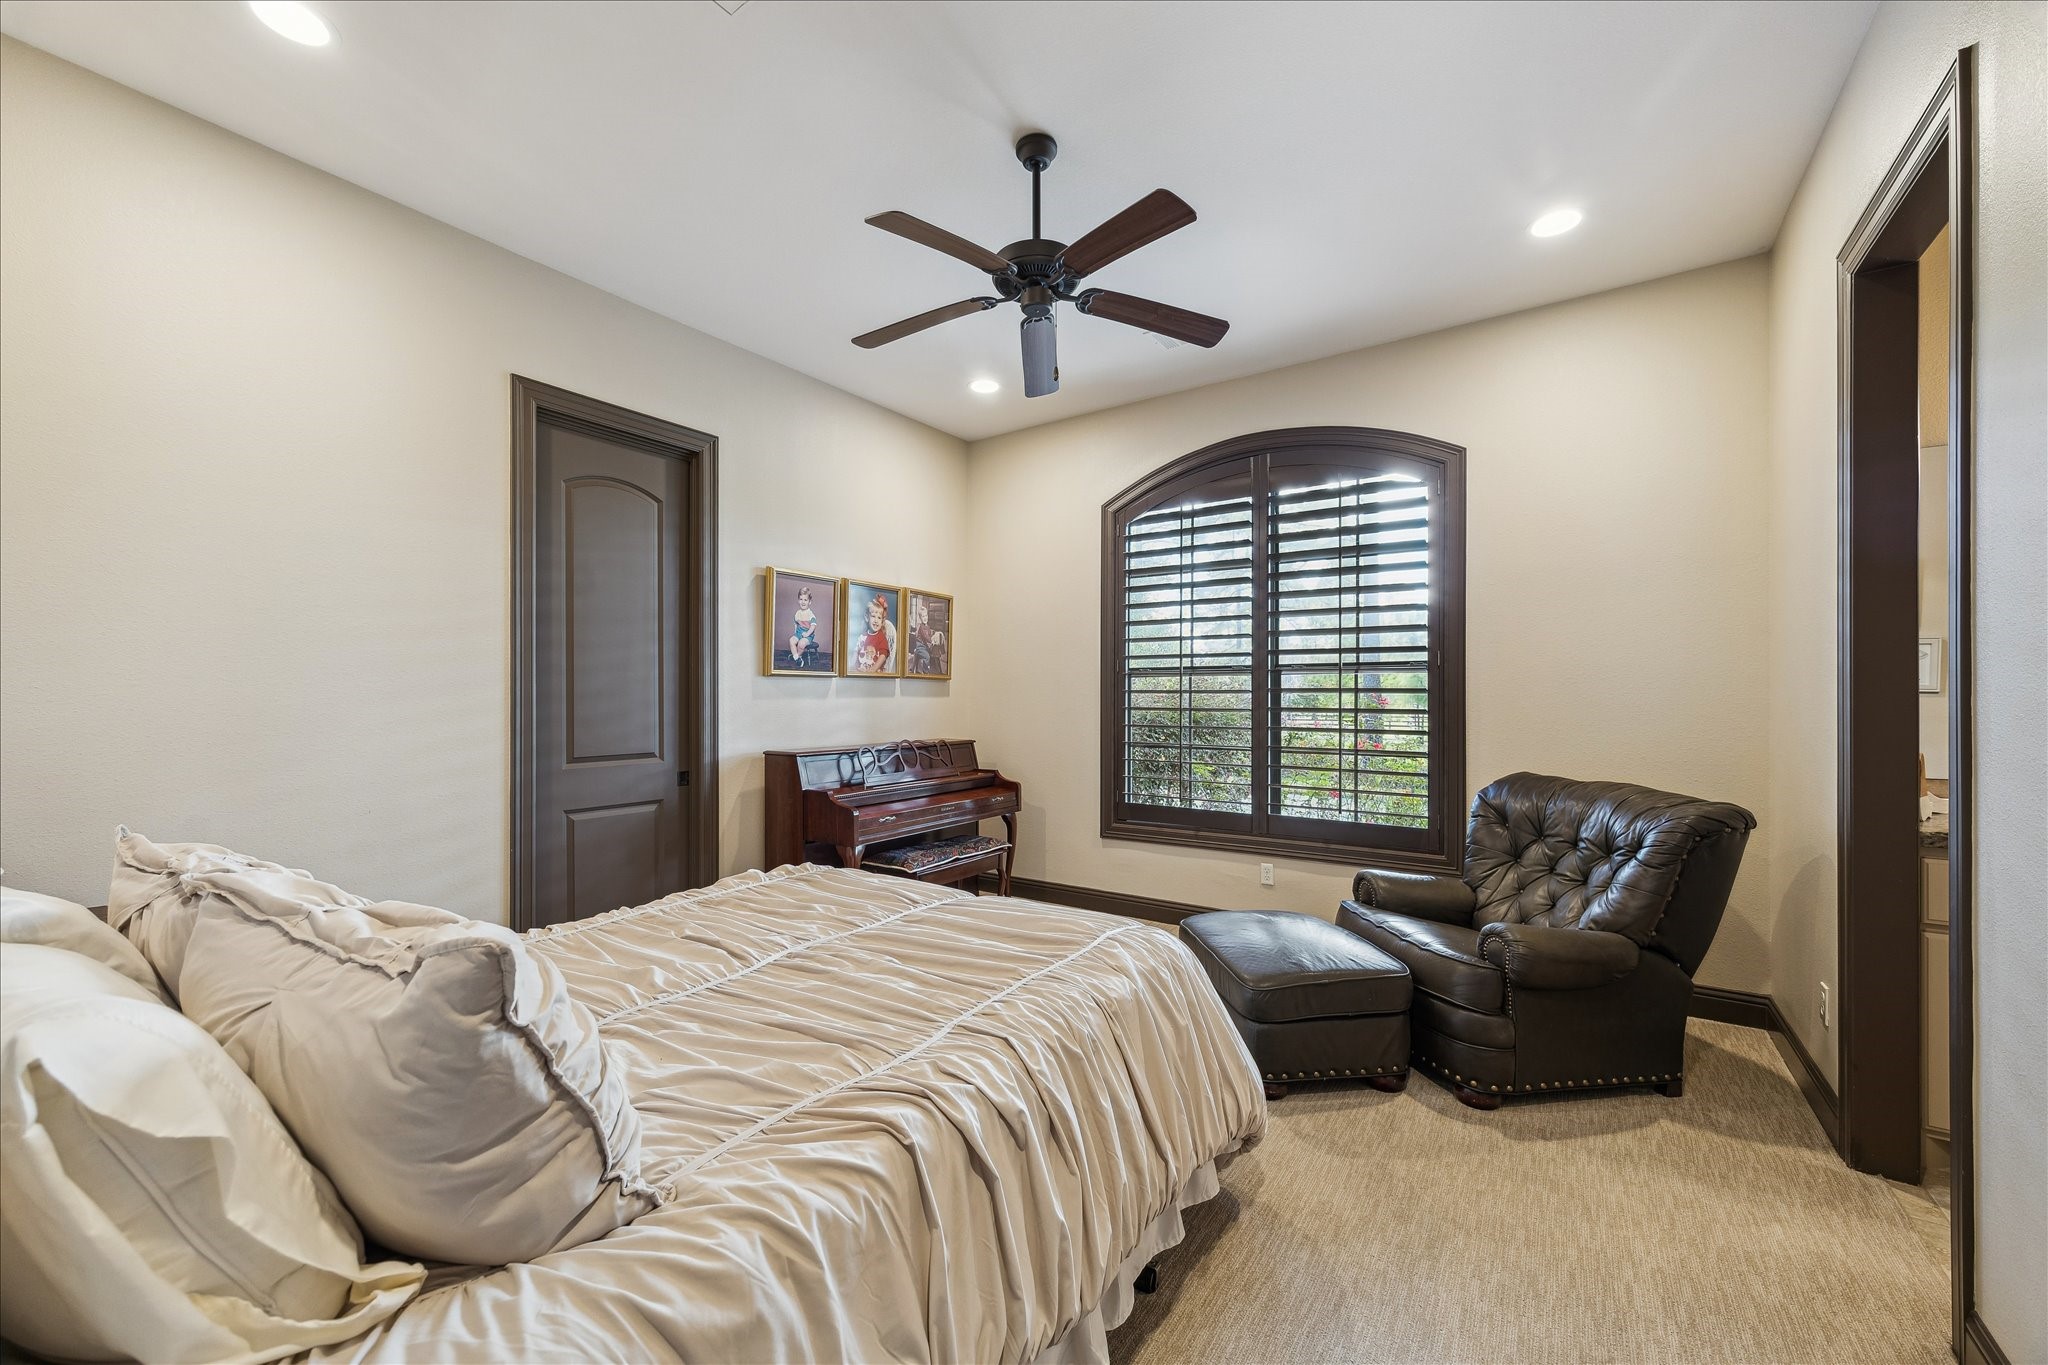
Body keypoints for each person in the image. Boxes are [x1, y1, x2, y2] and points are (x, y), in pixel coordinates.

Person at [854, 589, 896, 673]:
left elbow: (883, 656)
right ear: (867, 618)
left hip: (875, 672)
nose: (876, 621)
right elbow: (856, 653)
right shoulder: (863, 636)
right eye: (873, 616)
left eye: (879, 618)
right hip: (861, 670)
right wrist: (853, 667)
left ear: (882, 621)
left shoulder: (881, 637)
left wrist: (872, 670)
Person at [907, 595, 948, 675]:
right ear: (920, 618)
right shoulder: (921, 627)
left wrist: (934, 633)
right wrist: (931, 640)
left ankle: (917, 665)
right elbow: (926, 637)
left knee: (931, 651)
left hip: (924, 646)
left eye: (926, 615)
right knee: (927, 657)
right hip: (920, 646)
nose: (925, 618)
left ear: (928, 616)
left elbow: (929, 633)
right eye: (923, 616)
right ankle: (926, 671)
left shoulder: (927, 626)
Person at [787, 585, 820, 669]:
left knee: (801, 643)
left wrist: (807, 634)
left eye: (805, 600)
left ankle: (797, 656)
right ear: (798, 600)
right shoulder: (798, 613)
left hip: (808, 635)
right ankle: (797, 658)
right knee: (791, 640)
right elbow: (795, 623)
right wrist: (796, 633)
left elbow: (813, 626)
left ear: (809, 602)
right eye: (801, 599)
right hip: (799, 633)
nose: (803, 602)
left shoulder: (810, 614)